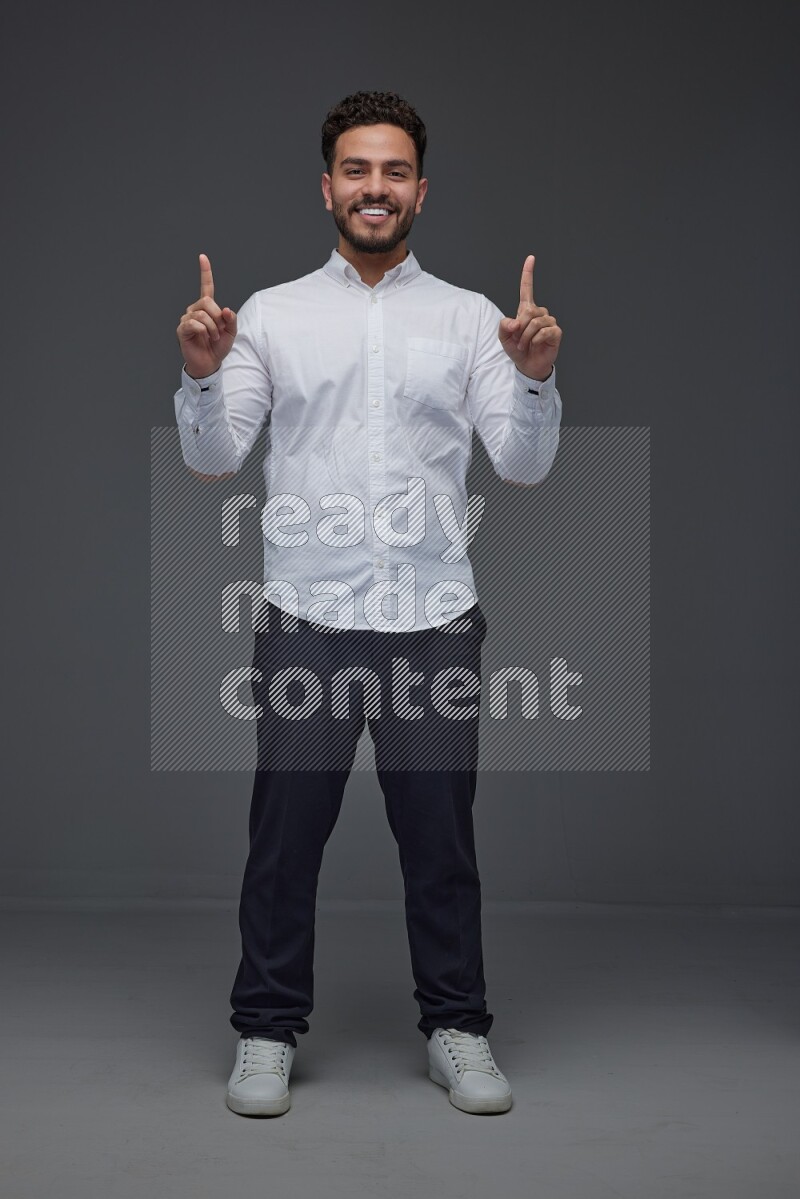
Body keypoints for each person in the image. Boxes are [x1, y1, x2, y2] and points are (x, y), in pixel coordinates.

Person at [173, 90, 563, 1117]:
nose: (374, 188)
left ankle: (457, 1025)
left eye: (392, 172)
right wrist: (202, 376)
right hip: (308, 620)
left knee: (440, 842)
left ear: (419, 191)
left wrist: (531, 380)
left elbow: (521, 466)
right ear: (327, 186)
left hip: (432, 623)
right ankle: (264, 1029)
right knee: (283, 840)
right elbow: (212, 460)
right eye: (356, 169)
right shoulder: (271, 315)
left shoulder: (471, 319)